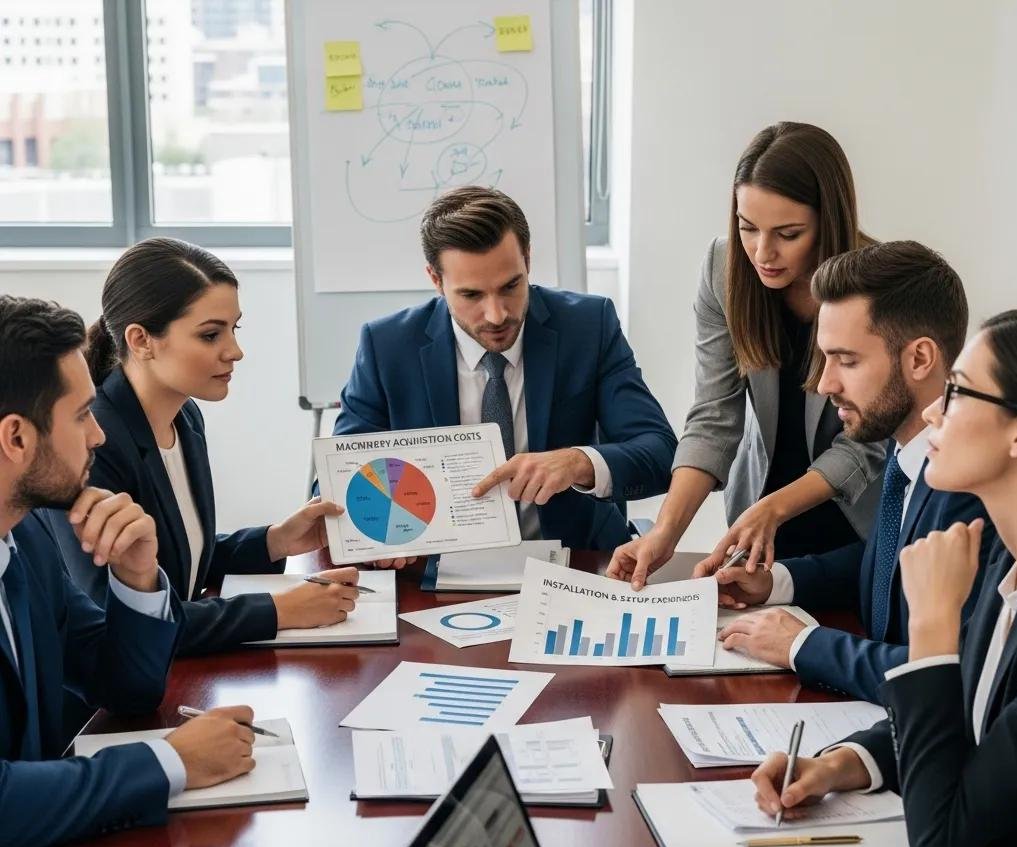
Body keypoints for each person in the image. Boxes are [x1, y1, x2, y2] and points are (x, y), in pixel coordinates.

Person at [751, 310, 1017, 847]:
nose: (934, 415)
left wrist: (932, 630)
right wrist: (844, 763)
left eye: (957, 394)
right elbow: (964, 721)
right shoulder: (999, 558)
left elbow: (940, 828)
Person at [0, 296, 256, 847]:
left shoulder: (26, 537)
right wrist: (172, 761)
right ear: (16, 438)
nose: (98, 435)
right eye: (81, 415)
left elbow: (126, 687)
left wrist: (138, 576)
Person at [45, 238, 360, 656]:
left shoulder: (185, 417)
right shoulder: (95, 445)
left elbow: (176, 563)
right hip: (104, 707)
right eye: (211, 334)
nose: (235, 351)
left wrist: (276, 540)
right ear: (141, 340)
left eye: (234, 329)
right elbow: (124, 617)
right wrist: (276, 611)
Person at [607, 122, 886, 588]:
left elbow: (867, 442)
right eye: (747, 227)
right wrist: (664, 532)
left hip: (855, 527)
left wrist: (774, 508)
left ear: (828, 220)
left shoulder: (877, 284)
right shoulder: (724, 268)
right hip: (760, 525)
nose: (762, 252)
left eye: (788, 233)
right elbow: (714, 418)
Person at [713, 242, 993, 700]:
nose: (825, 384)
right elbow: (886, 564)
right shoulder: (906, 456)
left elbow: (952, 672)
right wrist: (776, 581)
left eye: (847, 360)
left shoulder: (972, 488)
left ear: (920, 359)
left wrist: (803, 644)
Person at [330, 186, 677, 551]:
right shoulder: (387, 347)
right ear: (436, 280)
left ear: (527, 259)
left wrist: (578, 463)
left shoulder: (588, 327)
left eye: (511, 286)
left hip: (575, 562)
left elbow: (660, 452)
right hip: (432, 572)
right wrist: (373, 537)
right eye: (471, 295)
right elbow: (337, 482)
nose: (497, 315)